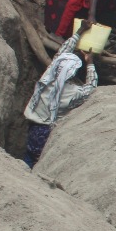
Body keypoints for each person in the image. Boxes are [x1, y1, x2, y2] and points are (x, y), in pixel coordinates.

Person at [22, 33, 97, 169]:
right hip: (47, 131)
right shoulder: (73, 92)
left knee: (29, 156)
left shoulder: (48, 76)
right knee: (40, 161)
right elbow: (91, 88)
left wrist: (79, 32)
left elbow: (61, 53)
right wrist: (90, 63)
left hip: (33, 125)